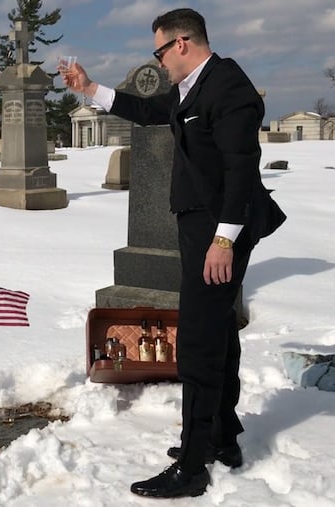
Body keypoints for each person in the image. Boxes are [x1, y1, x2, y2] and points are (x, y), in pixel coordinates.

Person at [61, 8, 268, 498]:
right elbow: (151, 111)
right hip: (201, 226)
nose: (158, 61)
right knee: (218, 332)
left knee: (196, 343)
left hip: (221, 230)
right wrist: (91, 89)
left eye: (159, 50)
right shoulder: (192, 85)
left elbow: (242, 170)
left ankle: (194, 467)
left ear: (180, 44)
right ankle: (223, 437)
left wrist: (223, 240)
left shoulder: (228, 88)